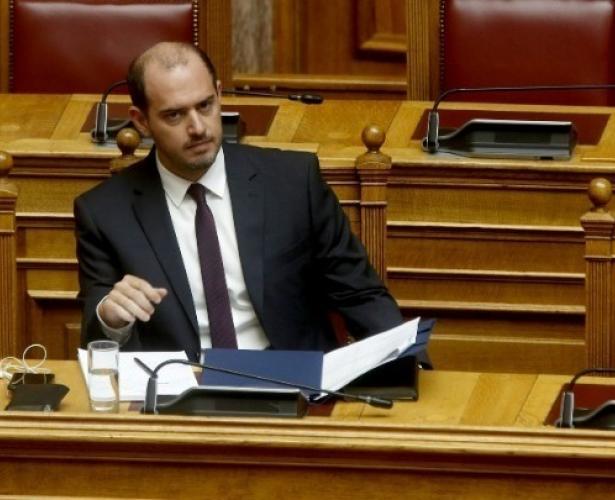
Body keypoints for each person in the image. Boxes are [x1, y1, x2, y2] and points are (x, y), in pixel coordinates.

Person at [74, 42, 403, 361]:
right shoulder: (104, 213)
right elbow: (97, 338)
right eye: (174, 115)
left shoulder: (292, 182)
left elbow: (360, 293)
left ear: (219, 94)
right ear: (141, 121)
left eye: (205, 105)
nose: (197, 128)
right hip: (182, 386)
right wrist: (110, 319)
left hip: (293, 380)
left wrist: (408, 366)